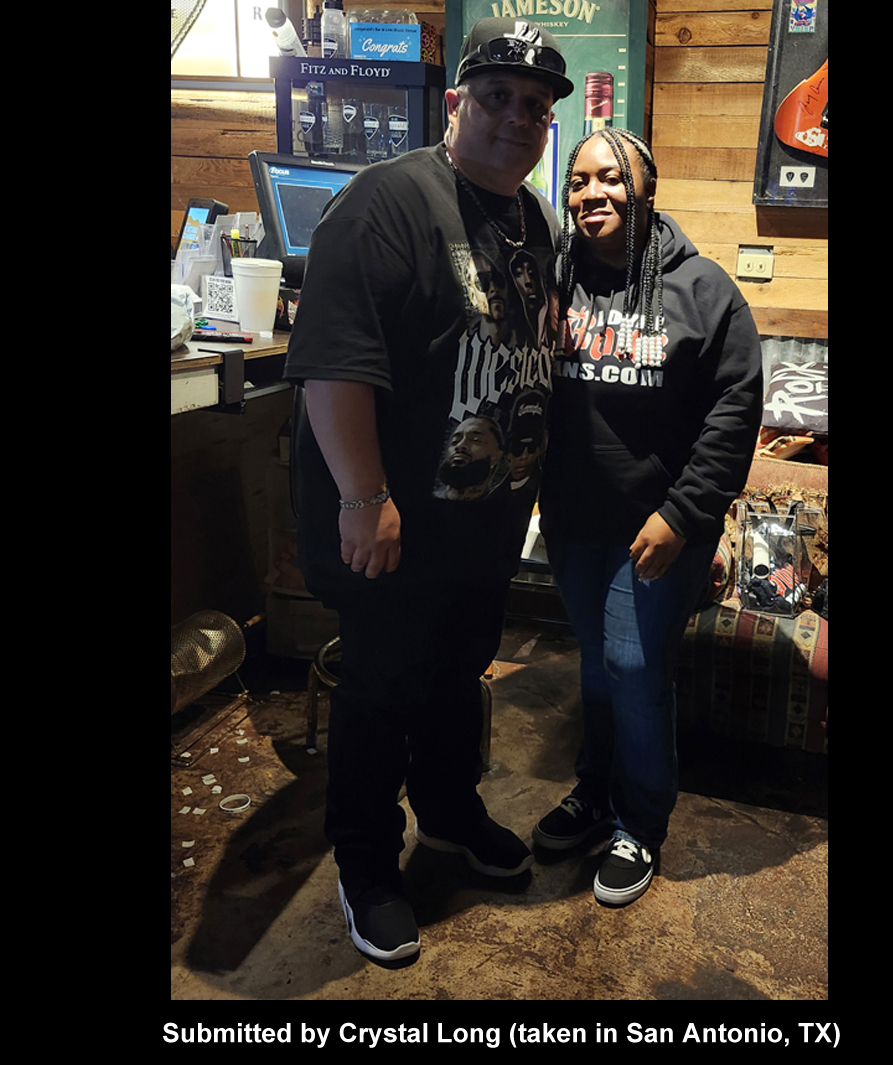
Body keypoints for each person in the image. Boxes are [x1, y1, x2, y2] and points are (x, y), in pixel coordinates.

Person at [282, 18, 573, 965]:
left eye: (535, 105)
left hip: (482, 525)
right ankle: (367, 865)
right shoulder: (384, 202)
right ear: (455, 103)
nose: (517, 117)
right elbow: (334, 364)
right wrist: (363, 498)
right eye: (497, 96)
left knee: (457, 676)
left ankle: (449, 814)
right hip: (391, 524)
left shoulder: (534, 220)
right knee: (382, 690)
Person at [532, 128, 763, 906]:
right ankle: (594, 792)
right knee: (597, 667)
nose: (590, 193)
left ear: (647, 189)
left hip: (661, 528)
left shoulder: (703, 290)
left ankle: (640, 822)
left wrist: (684, 513)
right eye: (577, 181)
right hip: (574, 522)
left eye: (609, 177)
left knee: (634, 668)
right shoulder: (553, 278)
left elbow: (734, 412)